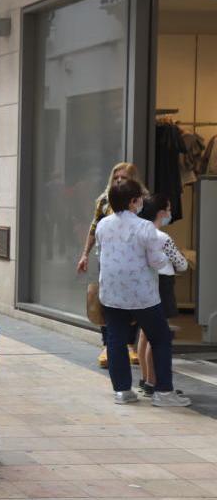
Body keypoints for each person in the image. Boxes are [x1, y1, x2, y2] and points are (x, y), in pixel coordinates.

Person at [95, 180, 190, 407]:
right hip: (142, 293)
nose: (141, 202)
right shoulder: (144, 227)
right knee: (160, 337)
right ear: (132, 201)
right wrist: (168, 260)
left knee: (116, 339)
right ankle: (163, 392)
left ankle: (122, 392)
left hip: (112, 291)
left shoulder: (103, 224)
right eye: (139, 198)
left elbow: (101, 254)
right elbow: (156, 261)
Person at [77, 162, 141, 368]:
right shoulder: (104, 201)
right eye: (116, 178)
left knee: (132, 302)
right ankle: (107, 345)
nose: (119, 181)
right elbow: (94, 227)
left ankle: (130, 344)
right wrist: (84, 254)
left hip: (134, 263)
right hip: (108, 261)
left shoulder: (141, 201)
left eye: (124, 178)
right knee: (106, 301)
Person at [136, 194, 189, 396]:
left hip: (145, 285)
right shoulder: (162, 238)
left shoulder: (139, 233)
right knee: (157, 336)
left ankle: (145, 378)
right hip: (162, 285)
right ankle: (153, 382)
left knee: (144, 334)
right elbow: (182, 263)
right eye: (168, 208)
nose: (170, 213)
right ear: (161, 213)